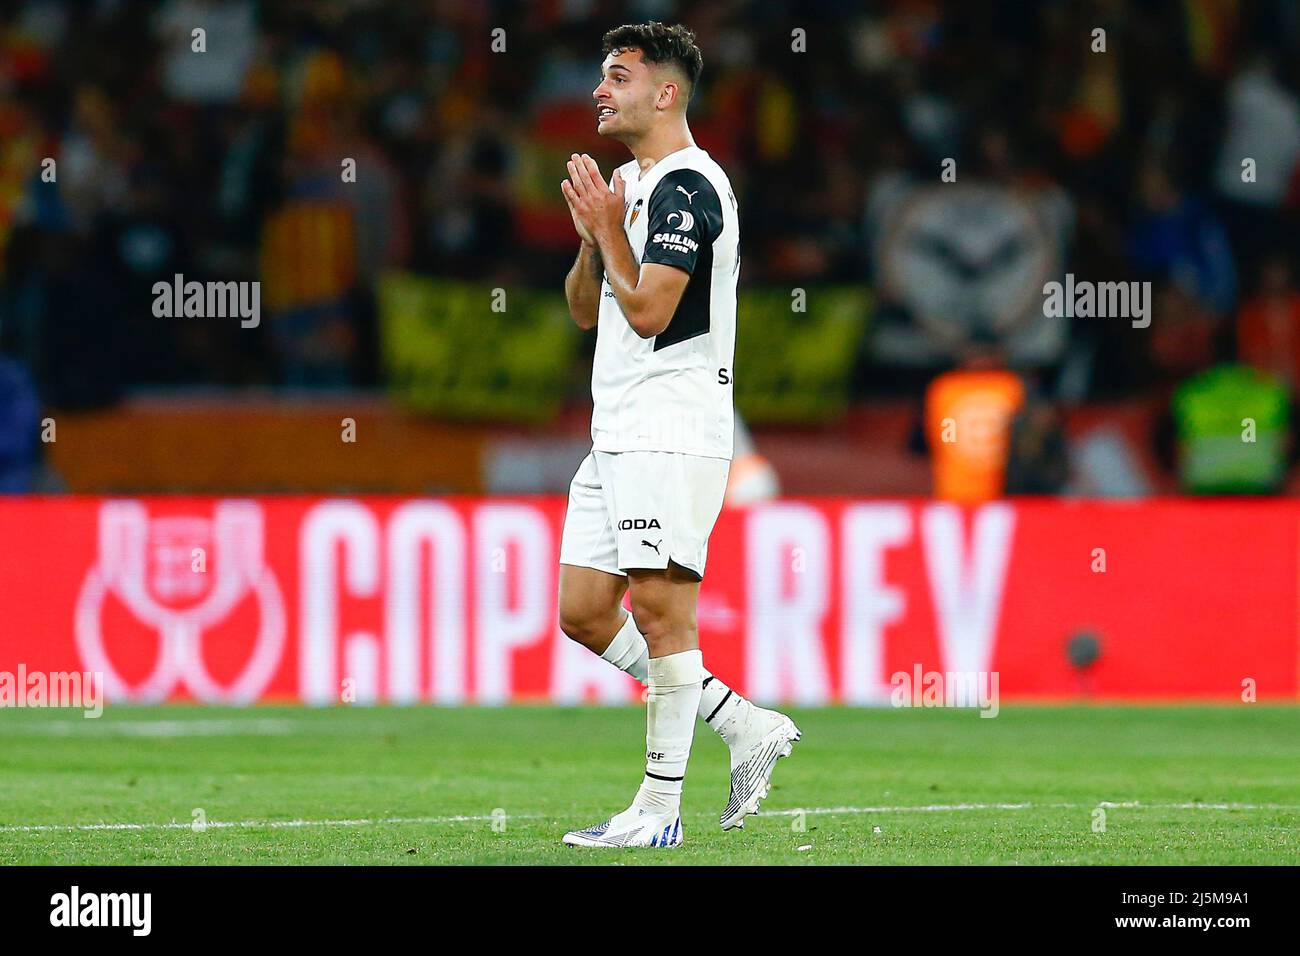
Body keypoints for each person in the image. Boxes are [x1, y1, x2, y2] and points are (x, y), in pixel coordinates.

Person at [555, 22, 799, 849]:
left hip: (672, 424)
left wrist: (611, 229)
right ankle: (742, 725)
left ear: (664, 93)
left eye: (617, 77)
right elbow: (589, 309)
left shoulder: (689, 187)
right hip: (617, 425)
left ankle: (658, 812)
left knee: (661, 614)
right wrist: (596, 233)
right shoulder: (628, 183)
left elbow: (653, 310)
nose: (600, 90)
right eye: (600, 75)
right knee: (584, 611)